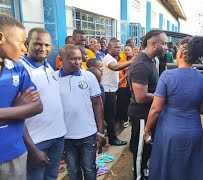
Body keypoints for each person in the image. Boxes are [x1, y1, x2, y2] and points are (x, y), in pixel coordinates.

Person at [143, 36, 203, 180]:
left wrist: (147, 130)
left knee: (167, 168)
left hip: (169, 132)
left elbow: (155, 109)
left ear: (179, 54)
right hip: (194, 132)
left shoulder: (167, 76)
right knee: (189, 170)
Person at [0, 14, 43, 180]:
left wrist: (8, 112)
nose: (25, 49)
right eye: (21, 42)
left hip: (14, 153)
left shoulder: (18, 68)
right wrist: (18, 110)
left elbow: (37, 106)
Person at [21, 28, 67, 180]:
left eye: (47, 45)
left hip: (57, 136)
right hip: (36, 141)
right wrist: (32, 148)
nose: (43, 49)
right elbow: (17, 113)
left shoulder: (48, 67)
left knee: (51, 177)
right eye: (38, 44)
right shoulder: (21, 69)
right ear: (27, 44)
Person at [56, 44, 106, 180]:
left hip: (88, 135)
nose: (77, 62)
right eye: (72, 59)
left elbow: (97, 104)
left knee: (90, 169)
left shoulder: (89, 77)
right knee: (73, 171)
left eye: (79, 58)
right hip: (66, 137)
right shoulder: (54, 79)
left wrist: (100, 131)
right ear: (61, 59)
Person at [127, 30, 168, 180]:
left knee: (146, 149)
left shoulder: (151, 61)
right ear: (153, 44)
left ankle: (143, 171)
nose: (166, 47)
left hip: (147, 113)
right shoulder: (141, 64)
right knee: (140, 151)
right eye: (163, 43)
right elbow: (141, 97)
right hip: (141, 115)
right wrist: (163, 97)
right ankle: (138, 176)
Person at [101, 38, 132, 146]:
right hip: (108, 91)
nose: (119, 49)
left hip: (112, 89)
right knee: (110, 117)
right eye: (116, 47)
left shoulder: (113, 58)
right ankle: (112, 139)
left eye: (120, 47)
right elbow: (115, 68)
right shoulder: (108, 59)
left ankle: (110, 137)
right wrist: (132, 61)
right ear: (109, 48)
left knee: (112, 115)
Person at [116, 44, 132, 128]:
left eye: (128, 50)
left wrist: (121, 80)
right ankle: (119, 118)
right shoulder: (112, 59)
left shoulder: (123, 60)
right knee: (118, 103)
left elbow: (127, 72)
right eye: (125, 50)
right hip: (114, 86)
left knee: (124, 103)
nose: (126, 52)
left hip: (123, 84)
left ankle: (125, 119)